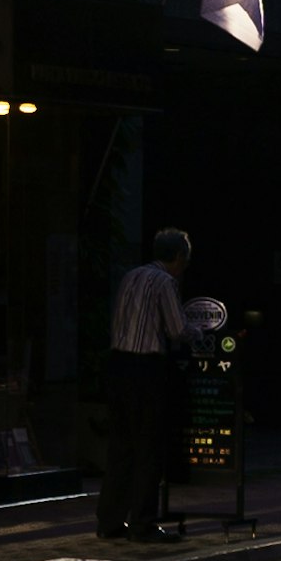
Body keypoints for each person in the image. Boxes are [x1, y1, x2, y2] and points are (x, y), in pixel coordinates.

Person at [102, 225, 193, 540]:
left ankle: (110, 521)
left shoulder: (131, 276)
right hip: (146, 368)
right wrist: (201, 333)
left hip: (118, 364)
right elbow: (178, 329)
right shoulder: (165, 282)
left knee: (120, 447)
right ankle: (142, 523)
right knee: (148, 448)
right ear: (179, 257)